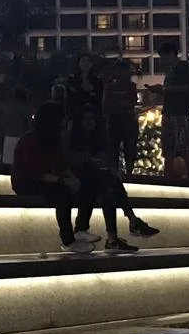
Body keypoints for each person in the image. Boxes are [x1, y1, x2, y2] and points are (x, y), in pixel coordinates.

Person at [11, 102, 101, 255]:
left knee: (87, 184)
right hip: (25, 183)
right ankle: (68, 240)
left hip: (48, 179)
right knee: (62, 193)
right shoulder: (29, 140)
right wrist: (64, 181)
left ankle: (81, 229)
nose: (63, 123)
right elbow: (34, 172)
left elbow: (61, 164)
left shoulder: (52, 141)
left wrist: (73, 179)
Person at [67, 104, 160, 252]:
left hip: (94, 180)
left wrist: (106, 167)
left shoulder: (96, 139)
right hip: (78, 179)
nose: (90, 122)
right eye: (86, 119)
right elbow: (72, 162)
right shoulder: (71, 138)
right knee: (109, 184)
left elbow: (101, 161)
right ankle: (128, 225)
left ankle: (115, 237)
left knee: (109, 188)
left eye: (92, 119)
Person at [158, 40, 189, 179]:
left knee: (185, 145)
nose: (161, 60)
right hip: (170, 111)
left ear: (171, 54)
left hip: (180, 112)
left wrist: (165, 90)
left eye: (163, 56)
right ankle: (169, 175)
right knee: (168, 146)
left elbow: (185, 87)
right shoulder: (171, 70)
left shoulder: (183, 67)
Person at [102, 59, 140, 174]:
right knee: (113, 152)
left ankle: (129, 175)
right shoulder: (110, 87)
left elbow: (132, 101)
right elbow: (106, 105)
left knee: (130, 151)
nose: (121, 74)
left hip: (128, 122)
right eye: (118, 71)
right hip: (114, 122)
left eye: (123, 71)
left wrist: (118, 103)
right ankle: (114, 175)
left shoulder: (131, 86)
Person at [0, 87, 33, 167]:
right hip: (21, 138)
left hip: (9, 138)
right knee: (20, 165)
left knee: (8, 164)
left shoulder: (8, 108)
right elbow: (29, 125)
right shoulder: (26, 109)